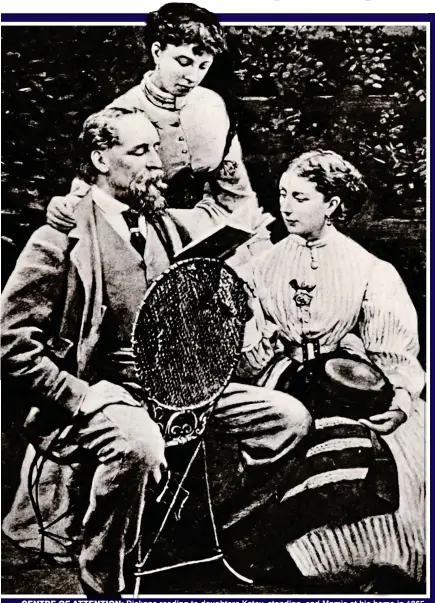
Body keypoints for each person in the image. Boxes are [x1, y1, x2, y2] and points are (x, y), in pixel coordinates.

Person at [1, 107, 311, 596]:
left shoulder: (166, 227)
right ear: (101, 158)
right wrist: (81, 396)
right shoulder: (59, 239)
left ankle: (208, 535)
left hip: (179, 386)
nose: (156, 164)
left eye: (156, 150)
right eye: (140, 151)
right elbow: (10, 347)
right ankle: (105, 582)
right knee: (140, 447)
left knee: (287, 419)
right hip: (103, 397)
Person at [234, 150, 426, 586]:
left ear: (332, 204)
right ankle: (286, 558)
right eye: (282, 194)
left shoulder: (369, 269)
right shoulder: (259, 266)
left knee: (386, 450)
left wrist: (398, 400)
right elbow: (244, 341)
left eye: (300, 197)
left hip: (349, 387)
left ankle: (361, 562)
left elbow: (393, 352)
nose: (286, 205)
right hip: (279, 386)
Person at [46, 2, 271, 257]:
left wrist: (258, 243)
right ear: (157, 52)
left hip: (212, 227)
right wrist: (66, 206)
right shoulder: (121, 113)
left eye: (203, 66)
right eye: (183, 62)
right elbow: (92, 188)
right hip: (147, 235)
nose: (192, 76)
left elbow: (235, 187)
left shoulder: (213, 105)